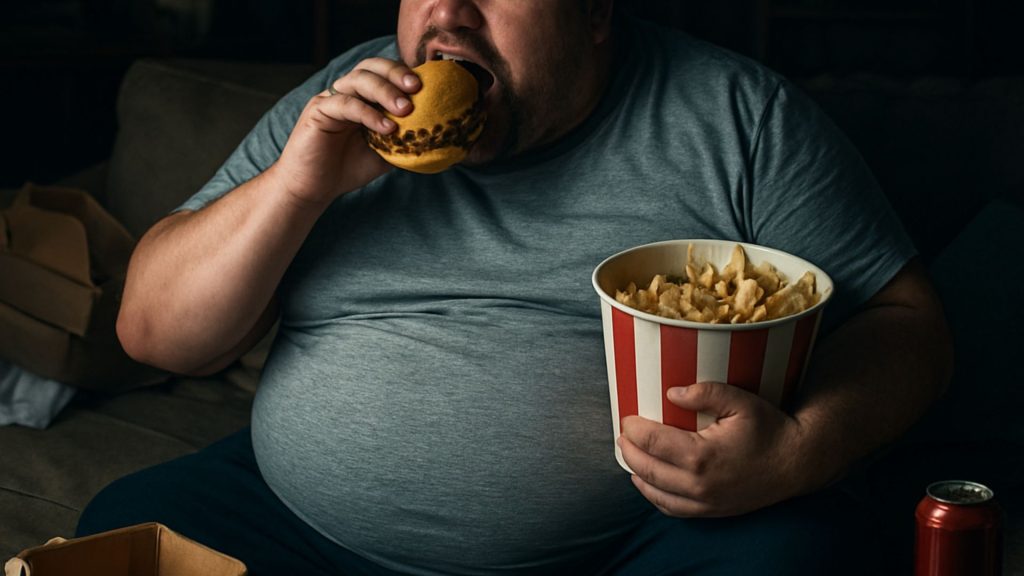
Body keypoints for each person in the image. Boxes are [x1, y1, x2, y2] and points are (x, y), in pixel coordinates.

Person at [76, 1, 952, 574]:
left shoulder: (738, 117)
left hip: (633, 545)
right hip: (305, 534)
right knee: (125, 529)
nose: (448, 15)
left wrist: (798, 449)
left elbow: (906, 324)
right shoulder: (345, 98)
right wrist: (297, 187)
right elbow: (153, 332)